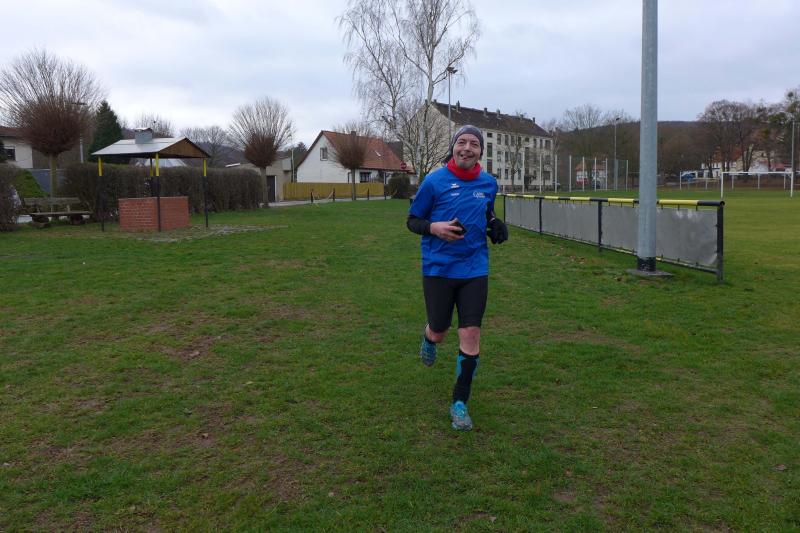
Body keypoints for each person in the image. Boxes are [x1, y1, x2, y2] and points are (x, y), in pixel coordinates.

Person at [406, 124, 508, 431]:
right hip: (438, 268)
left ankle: (459, 403)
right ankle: (429, 338)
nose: (467, 148)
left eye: (474, 144)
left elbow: (486, 211)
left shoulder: (489, 183)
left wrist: (495, 223)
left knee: (471, 333)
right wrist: (434, 228)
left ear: (480, 151)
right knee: (440, 330)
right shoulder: (434, 182)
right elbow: (412, 220)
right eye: (461, 142)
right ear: (453, 147)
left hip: (475, 268)